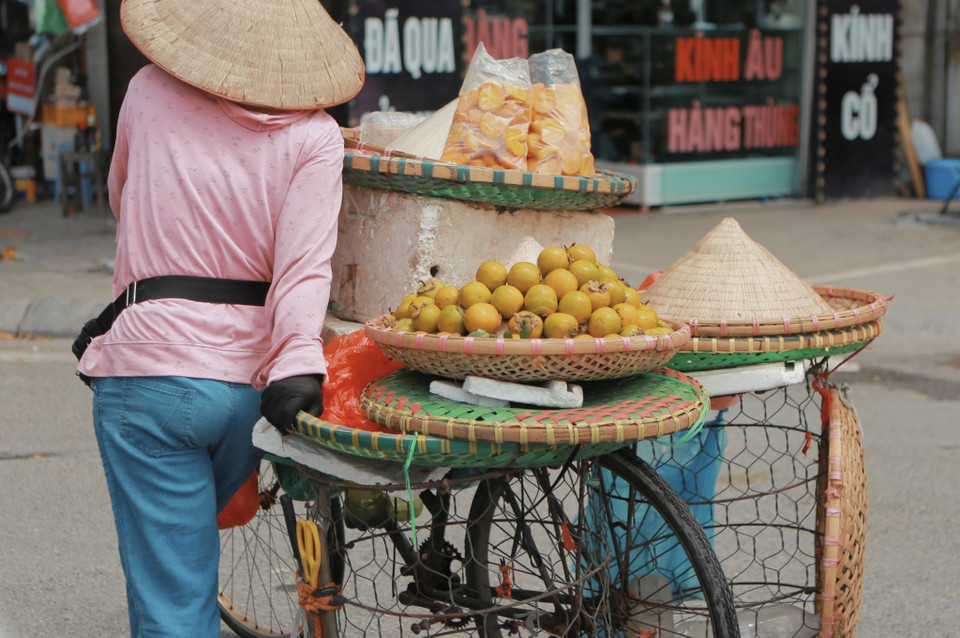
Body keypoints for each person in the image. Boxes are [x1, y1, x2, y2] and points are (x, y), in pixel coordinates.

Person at [72, 0, 364, 635]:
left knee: (174, 600)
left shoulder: (148, 90)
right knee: (192, 552)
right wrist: (297, 361)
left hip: (149, 371)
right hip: (247, 394)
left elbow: (123, 198)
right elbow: (305, 267)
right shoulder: (316, 136)